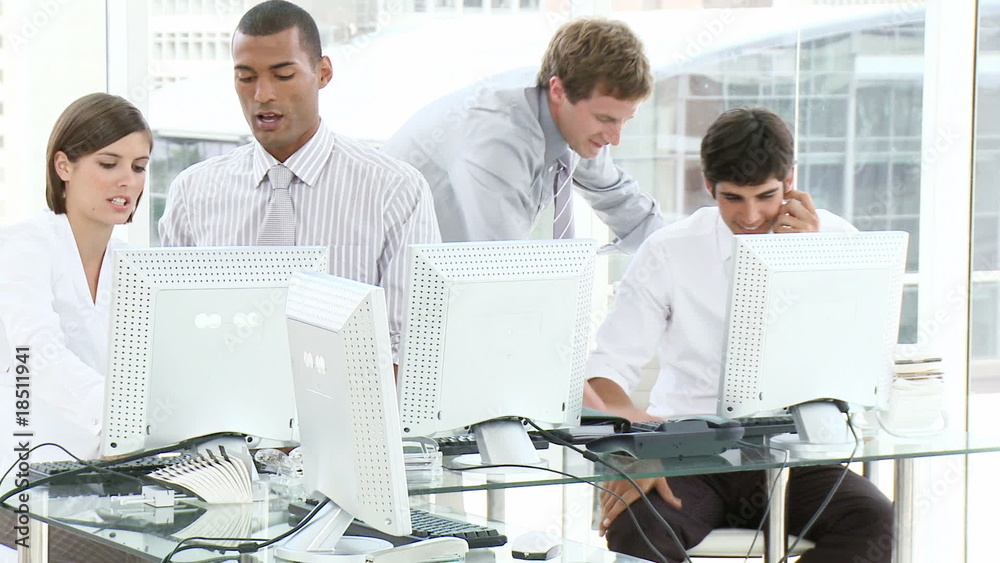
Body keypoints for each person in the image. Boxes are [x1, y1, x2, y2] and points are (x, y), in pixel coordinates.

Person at [585, 107, 893, 563]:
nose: (750, 216)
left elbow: (862, 362)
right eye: (733, 198)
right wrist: (640, 449)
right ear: (709, 186)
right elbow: (604, 373)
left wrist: (809, 264)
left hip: (797, 458)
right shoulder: (669, 250)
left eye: (766, 197)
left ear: (790, 181)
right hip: (689, 461)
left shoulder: (834, 239)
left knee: (875, 521)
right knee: (638, 530)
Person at [158, 0, 440, 359]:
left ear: (323, 72)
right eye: (246, 78)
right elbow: (172, 331)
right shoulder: (193, 192)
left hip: (347, 393)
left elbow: (410, 347)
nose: (263, 95)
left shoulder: (395, 190)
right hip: (223, 391)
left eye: (283, 76)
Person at [0, 92, 151, 563]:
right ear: (63, 166)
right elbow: (38, 355)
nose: (128, 180)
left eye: (139, 167)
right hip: (23, 489)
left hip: (107, 488)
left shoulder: (134, 265)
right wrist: (122, 417)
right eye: (109, 163)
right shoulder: (25, 246)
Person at [381, 17, 665, 253]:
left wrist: (677, 259)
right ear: (558, 91)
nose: (615, 138)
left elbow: (624, 204)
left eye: (624, 121)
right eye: (605, 119)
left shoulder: (578, 122)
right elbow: (504, 263)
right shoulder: (498, 136)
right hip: (397, 284)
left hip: (461, 282)